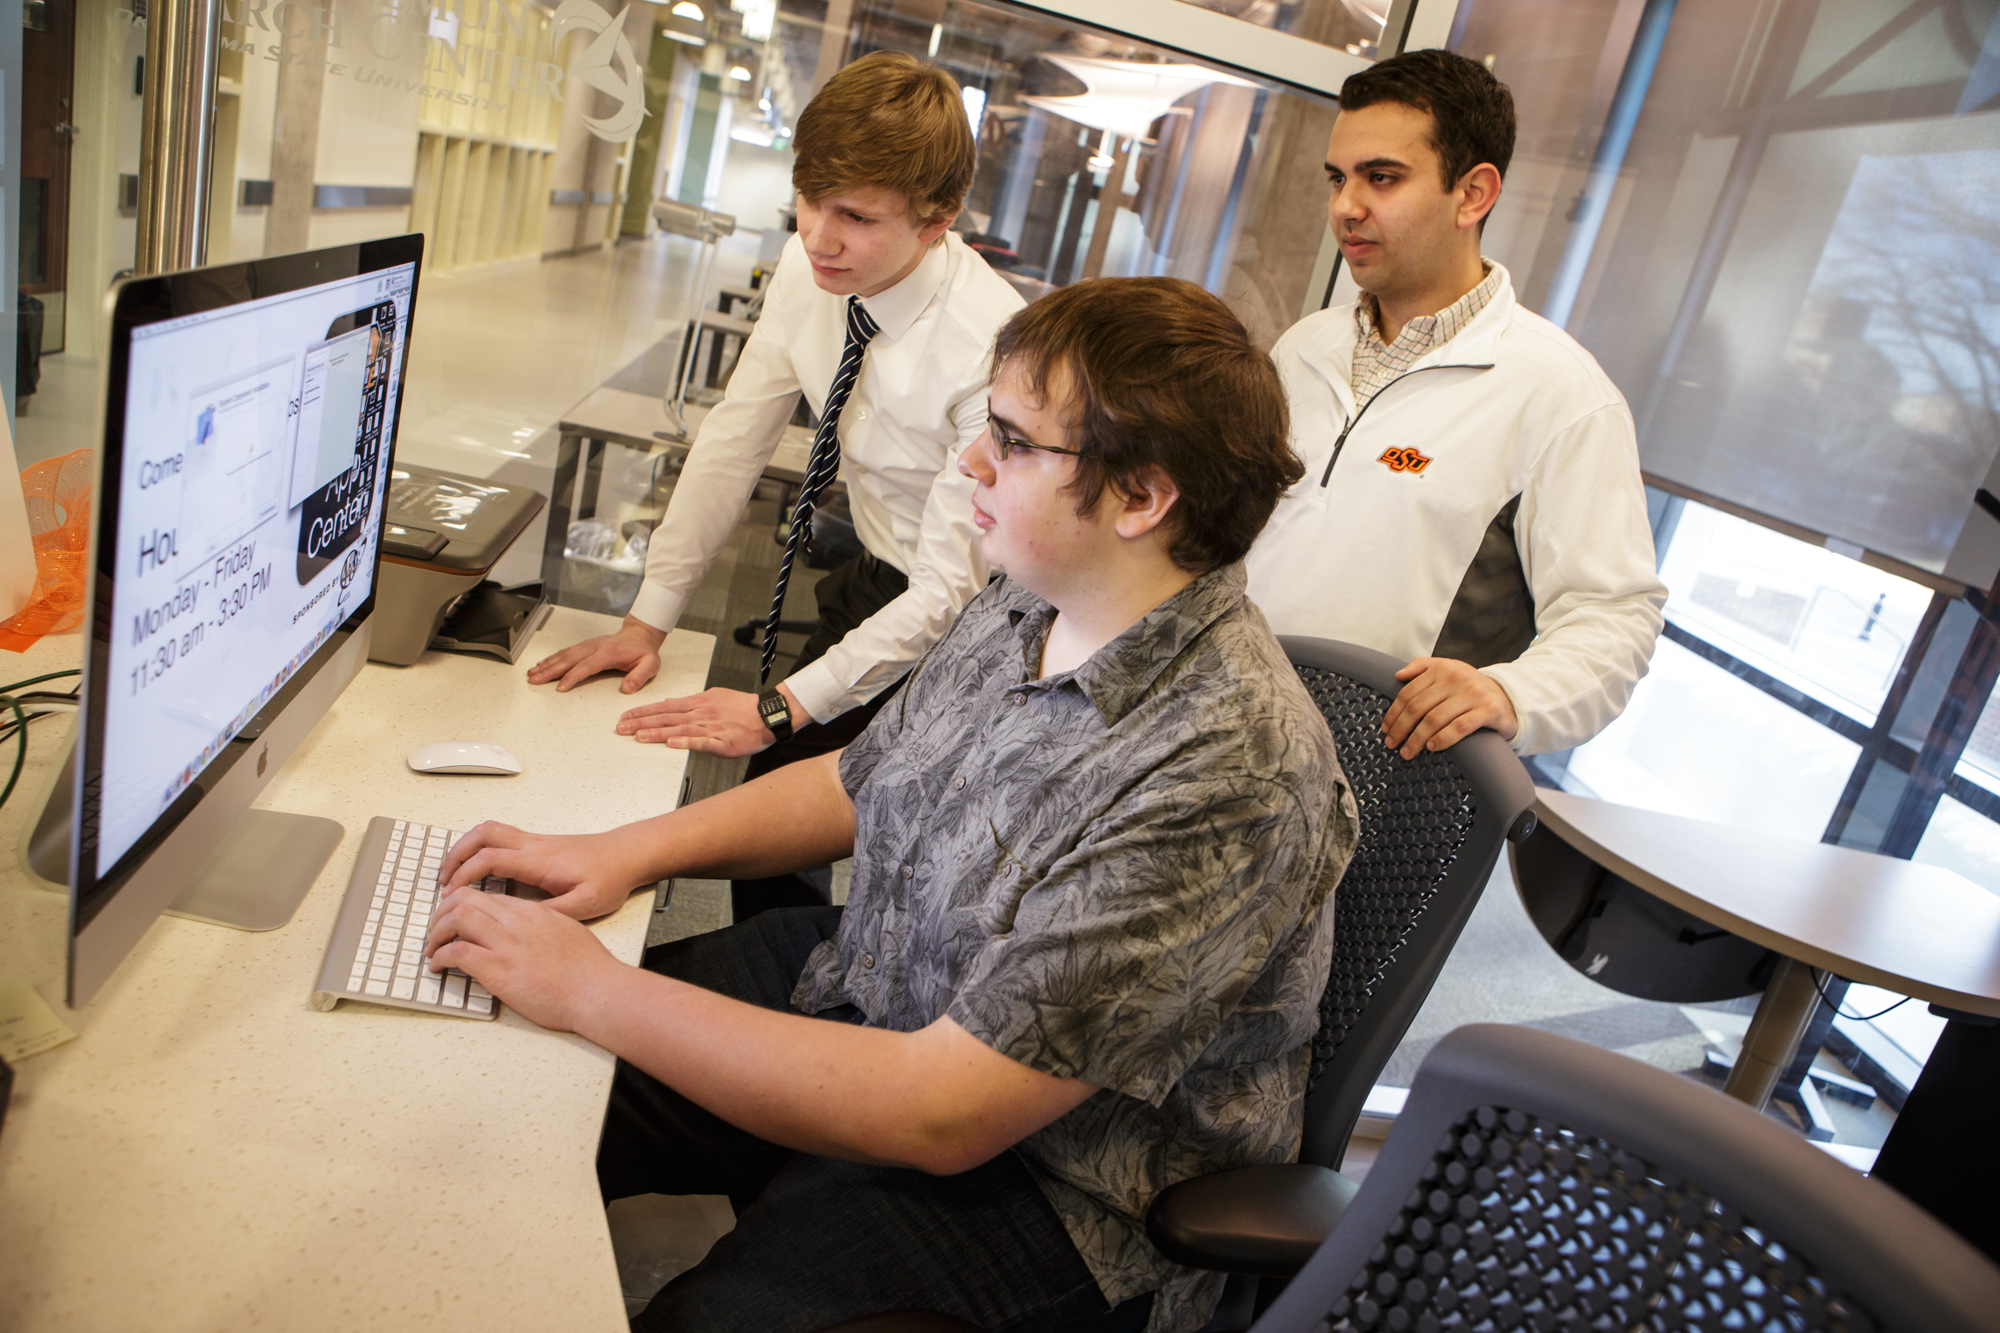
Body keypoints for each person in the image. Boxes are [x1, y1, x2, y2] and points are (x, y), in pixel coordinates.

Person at [426, 279, 1357, 1333]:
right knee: (498, 1075)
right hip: (879, 977)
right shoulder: (1030, 594)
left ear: (1140, 498)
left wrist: (594, 989)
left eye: (1009, 440)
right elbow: (860, 781)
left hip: (1052, 1179)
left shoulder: (1228, 765)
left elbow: (943, 1109)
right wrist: (624, 853)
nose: (969, 461)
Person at [526, 51, 1024, 920]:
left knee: (893, 859)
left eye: (857, 216)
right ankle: (784, 987)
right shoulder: (809, 270)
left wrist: (781, 704)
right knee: (772, 820)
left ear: (937, 219)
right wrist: (650, 617)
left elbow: (951, 589)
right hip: (876, 576)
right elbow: (735, 437)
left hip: (984, 623)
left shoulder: (992, 343)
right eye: (808, 200)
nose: (819, 236)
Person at [1245, 48, 1665, 760]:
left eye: (1382, 178)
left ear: (1472, 194)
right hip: (1224, 734)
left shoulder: (1562, 395)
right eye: (1338, 178)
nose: (1346, 206)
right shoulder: (1304, 346)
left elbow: (1614, 617)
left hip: (1376, 784)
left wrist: (1512, 694)